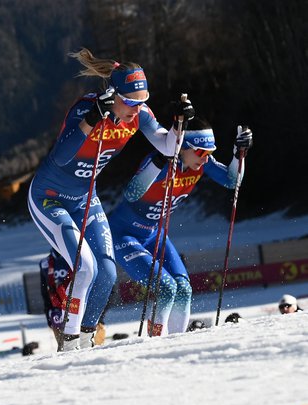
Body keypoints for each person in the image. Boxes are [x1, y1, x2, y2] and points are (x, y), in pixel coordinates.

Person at [27, 48, 195, 350]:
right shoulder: (85, 109)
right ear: (113, 95)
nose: (136, 109)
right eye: (130, 102)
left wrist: (179, 124)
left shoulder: (139, 115)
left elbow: (169, 148)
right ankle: (68, 342)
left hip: (83, 198)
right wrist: (92, 120)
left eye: (142, 101)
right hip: (48, 197)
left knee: (105, 271)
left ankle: (88, 338)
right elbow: (62, 158)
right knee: (86, 267)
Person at [109, 118, 253, 336]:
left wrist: (238, 154)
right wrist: (160, 160)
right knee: (166, 288)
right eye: (201, 152)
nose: (205, 159)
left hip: (154, 234)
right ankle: (156, 342)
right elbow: (131, 193)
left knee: (184, 289)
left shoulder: (201, 164)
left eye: (209, 153)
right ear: (184, 147)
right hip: (124, 235)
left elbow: (233, 181)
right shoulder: (159, 162)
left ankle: (179, 342)